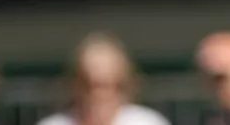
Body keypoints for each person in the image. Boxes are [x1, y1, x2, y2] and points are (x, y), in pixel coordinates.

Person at [36, 33, 171, 125]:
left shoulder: (147, 122)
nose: (101, 95)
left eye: (112, 85)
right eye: (90, 85)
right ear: (75, 85)